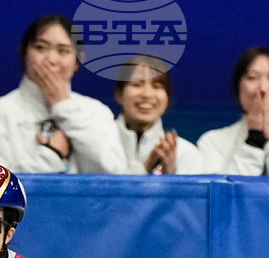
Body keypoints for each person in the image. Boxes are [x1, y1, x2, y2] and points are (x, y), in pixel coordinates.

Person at [0, 14, 125, 174]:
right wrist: (51, 154)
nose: (51, 59)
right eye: (40, 48)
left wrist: (62, 103)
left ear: (78, 61)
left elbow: (114, 173)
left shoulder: (96, 112)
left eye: (63, 51)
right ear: (23, 51)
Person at [113, 57, 202, 175]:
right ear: (119, 94)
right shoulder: (98, 144)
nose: (147, 94)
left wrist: (170, 175)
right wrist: (143, 169)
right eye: (137, 84)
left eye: (157, 86)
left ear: (168, 99)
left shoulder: (186, 153)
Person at [198, 47, 269, 176]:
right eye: (252, 77)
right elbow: (225, 194)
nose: (263, 88)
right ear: (238, 87)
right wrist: (254, 139)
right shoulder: (213, 143)